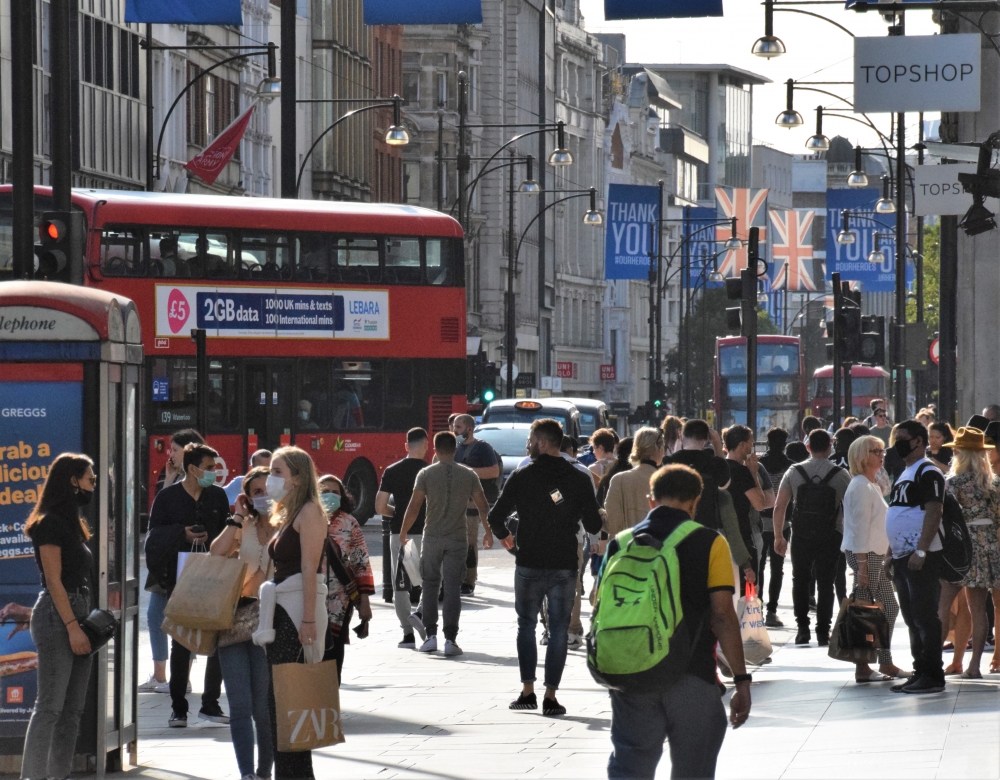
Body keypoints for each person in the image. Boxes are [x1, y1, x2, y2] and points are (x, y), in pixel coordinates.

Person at [603, 464, 751, 779]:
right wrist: (741, 680)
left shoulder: (620, 543)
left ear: (650, 501)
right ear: (695, 503)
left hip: (631, 675)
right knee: (692, 771)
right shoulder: (710, 542)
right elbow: (723, 615)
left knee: (630, 766)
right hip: (691, 675)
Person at [487, 419, 602, 717]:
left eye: (530, 439)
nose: (527, 444)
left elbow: (495, 515)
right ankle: (551, 695)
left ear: (542, 442)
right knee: (560, 629)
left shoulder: (522, 475)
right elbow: (593, 522)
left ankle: (527, 691)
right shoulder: (578, 477)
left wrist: (507, 538)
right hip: (564, 561)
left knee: (526, 624)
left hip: (529, 561)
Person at [258, 446, 335, 780]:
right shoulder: (289, 513)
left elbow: (310, 568)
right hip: (281, 612)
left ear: (298, 477)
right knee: (281, 705)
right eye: (270, 471)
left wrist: (307, 619)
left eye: (277, 472)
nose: (270, 478)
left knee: (291, 704)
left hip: (294, 614)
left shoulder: (309, 512)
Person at [20, 454, 96, 780]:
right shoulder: (49, 522)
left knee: (73, 710)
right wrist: (72, 627)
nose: (93, 485)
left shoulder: (72, 522)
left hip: (77, 609)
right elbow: (53, 582)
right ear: (72, 480)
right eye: (90, 479)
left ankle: (58, 775)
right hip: (57, 614)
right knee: (50, 707)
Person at [146, 443, 230, 727]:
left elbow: (226, 533)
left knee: (218, 639)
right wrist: (180, 534)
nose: (214, 472)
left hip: (214, 576)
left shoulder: (217, 496)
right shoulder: (168, 497)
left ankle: (210, 704)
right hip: (179, 577)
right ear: (193, 468)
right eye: (209, 468)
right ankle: (178, 708)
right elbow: (153, 537)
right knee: (181, 643)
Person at [208, 466, 275, 780]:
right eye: (256, 493)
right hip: (235, 618)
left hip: (272, 621)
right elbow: (216, 552)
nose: (263, 497)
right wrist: (236, 516)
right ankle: (246, 774)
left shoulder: (289, 524)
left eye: (266, 490)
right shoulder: (244, 525)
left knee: (263, 706)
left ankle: (264, 772)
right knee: (239, 705)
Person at [400, 431, 492, 656]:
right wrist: (488, 531)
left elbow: (414, 506)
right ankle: (450, 639)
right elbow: (483, 505)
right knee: (452, 588)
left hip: (432, 536)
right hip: (457, 537)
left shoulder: (426, 473)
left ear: (435, 449)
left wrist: (403, 532)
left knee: (430, 585)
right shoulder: (469, 475)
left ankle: (430, 636)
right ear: (455, 450)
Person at [884, 419, 946, 694]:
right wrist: (890, 553)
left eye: (903, 438)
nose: (898, 443)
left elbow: (934, 511)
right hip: (902, 557)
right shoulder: (906, 471)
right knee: (911, 618)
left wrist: (921, 549)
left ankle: (933, 674)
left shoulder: (928, 471)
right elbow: (898, 512)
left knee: (924, 616)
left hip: (920, 556)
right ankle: (920, 670)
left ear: (919, 441)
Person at [773, 430, 851, 646]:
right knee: (827, 582)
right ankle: (823, 631)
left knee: (800, 580)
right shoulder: (841, 474)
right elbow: (852, 508)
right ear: (830, 446)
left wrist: (779, 536)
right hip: (831, 534)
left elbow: (780, 506)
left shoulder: (794, 471)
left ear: (808, 447)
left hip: (801, 535)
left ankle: (802, 629)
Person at [841, 436, 907, 682]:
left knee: (883, 608)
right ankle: (867, 666)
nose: (881, 455)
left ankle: (879, 663)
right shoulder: (860, 485)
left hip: (871, 554)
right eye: (874, 451)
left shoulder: (867, 484)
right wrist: (862, 568)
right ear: (861, 455)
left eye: (882, 450)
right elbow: (858, 529)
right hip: (865, 555)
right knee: (866, 612)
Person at [938, 427, 1000, 679]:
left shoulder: (953, 483)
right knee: (980, 609)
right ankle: (975, 665)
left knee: (943, 605)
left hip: (962, 548)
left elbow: (944, 517)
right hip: (992, 546)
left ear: (960, 454)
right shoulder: (994, 482)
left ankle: (933, 661)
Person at [375, 428, 429, 648]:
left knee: (401, 585)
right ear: (426, 445)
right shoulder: (429, 471)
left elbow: (379, 506)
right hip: (427, 532)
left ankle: (407, 635)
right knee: (430, 581)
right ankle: (422, 616)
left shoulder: (392, 470)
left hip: (401, 533)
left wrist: (396, 514)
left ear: (406, 446)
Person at [318, 474, 374, 677]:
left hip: (340, 598)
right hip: (309, 595)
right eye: (325, 492)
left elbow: (361, 562)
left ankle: (330, 700)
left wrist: (365, 601)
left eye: (335, 492)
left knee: (334, 652)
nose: (330, 496)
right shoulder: (305, 518)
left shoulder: (349, 523)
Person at [452, 414, 500, 596]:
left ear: (469, 429)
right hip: (453, 502)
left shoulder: (483, 448)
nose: (454, 430)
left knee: (469, 543)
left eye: (458, 427)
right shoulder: (452, 447)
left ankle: (468, 580)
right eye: (454, 427)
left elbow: (494, 471)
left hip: (471, 503)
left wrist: (468, 472)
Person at [724, 425, 773, 590]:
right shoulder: (742, 472)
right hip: (743, 535)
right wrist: (753, 472)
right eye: (750, 443)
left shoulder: (719, 468)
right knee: (748, 590)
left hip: (720, 534)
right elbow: (760, 504)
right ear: (742, 445)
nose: (751, 447)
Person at [664, 419, 731, 533]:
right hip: (707, 527)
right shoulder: (714, 463)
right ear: (705, 439)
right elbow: (725, 484)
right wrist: (717, 443)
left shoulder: (669, 462)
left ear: (682, 437)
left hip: (676, 527)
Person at [605, 428, 666, 537]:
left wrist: (600, 513)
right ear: (659, 448)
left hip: (626, 549)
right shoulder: (667, 481)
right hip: (659, 550)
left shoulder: (619, 479)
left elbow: (612, 525)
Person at [759, 428, 792, 627]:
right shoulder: (790, 466)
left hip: (760, 521)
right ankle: (772, 610)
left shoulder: (759, 464)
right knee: (777, 568)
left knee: (760, 567)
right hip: (783, 523)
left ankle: (759, 608)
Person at [153, 428, 205, 497]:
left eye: (175, 450)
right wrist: (169, 479)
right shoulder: (183, 476)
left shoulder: (193, 481)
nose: (171, 455)